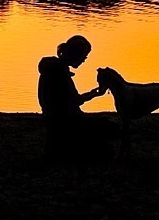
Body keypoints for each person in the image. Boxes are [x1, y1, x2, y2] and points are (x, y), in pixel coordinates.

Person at [38, 34, 112, 162]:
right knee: (108, 130)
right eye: (84, 56)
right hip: (64, 121)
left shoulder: (53, 68)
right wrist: (94, 94)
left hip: (53, 119)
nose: (84, 60)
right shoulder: (59, 72)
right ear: (76, 55)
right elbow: (74, 101)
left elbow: (71, 100)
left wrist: (92, 94)